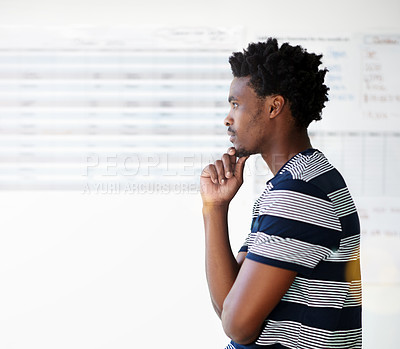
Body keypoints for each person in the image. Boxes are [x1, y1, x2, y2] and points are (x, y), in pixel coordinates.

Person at [200, 38, 362, 349]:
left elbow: (238, 327)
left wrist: (235, 321)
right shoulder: (296, 183)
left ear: (274, 106)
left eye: (236, 104)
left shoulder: (299, 195)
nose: (228, 118)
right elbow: (228, 306)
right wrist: (215, 209)